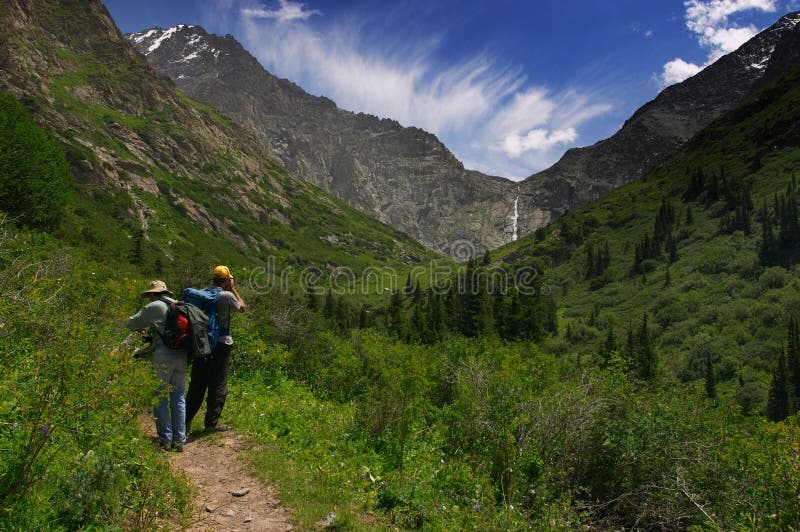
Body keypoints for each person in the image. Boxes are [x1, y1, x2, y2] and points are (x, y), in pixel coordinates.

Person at [127, 280, 187, 452]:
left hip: (163, 356)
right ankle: (179, 441)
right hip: (181, 354)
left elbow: (131, 323)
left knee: (160, 396)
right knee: (178, 397)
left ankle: (166, 440)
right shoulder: (179, 305)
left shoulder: (155, 307)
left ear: (153, 294)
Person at [185, 265, 246, 433]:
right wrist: (233, 289)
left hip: (201, 343)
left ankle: (184, 422)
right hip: (221, 344)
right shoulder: (226, 295)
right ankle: (211, 424)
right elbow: (242, 308)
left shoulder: (201, 294)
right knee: (218, 384)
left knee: (197, 383)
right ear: (227, 280)